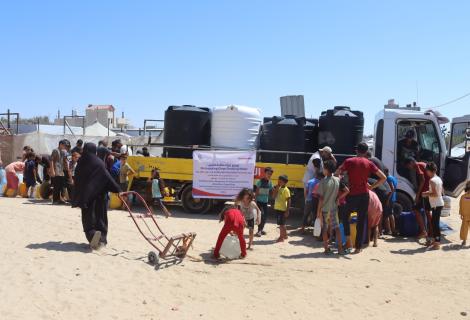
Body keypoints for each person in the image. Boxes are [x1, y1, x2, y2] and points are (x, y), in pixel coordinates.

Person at [337, 142, 386, 254]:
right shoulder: (369, 163)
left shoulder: (349, 161)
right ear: (366, 151)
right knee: (361, 220)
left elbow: (337, 173)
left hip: (351, 194)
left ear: (357, 150)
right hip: (364, 195)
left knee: (345, 216)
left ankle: (348, 241)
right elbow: (383, 177)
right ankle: (358, 247)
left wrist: (342, 182)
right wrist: (372, 186)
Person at [72, 143, 121, 249]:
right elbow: (107, 178)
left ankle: (92, 235)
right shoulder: (98, 163)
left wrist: (78, 196)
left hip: (87, 197)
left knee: (88, 219)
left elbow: (77, 180)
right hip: (100, 196)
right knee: (101, 218)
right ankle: (102, 239)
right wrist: (117, 189)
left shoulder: (80, 163)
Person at [317, 160, 343, 255]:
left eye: (324, 168)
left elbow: (321, 199)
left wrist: (318, 212)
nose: (323, 170)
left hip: (325, 210)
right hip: (334, 208)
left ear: (327, 170)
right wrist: (338, 198)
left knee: (324, 229)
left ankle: (326, 248)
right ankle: (340, 249)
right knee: (337, 228)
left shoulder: (323, 181)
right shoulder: (337, 180)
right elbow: (345, 191)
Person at [404, 157, 431, 239]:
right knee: (427, 212)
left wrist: (418, 195)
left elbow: (422, 180)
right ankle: (430, 231)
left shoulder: (418, 165)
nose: (409, 168)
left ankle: (425, 231)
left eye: (408, 166)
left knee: (417, 210)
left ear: (412, 162)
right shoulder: (422, 164)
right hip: (428, 191)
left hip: (425, 193)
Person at [422, 162, 444, 250]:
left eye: (427, 171)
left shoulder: (432, 180)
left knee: (435, 224)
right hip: (438, 203)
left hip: (436, 204)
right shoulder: (438, 179)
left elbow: (435, 194)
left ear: (429, 171)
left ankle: (437, 243)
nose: (426, 172)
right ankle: (436, 241)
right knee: (435, 223)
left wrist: (426, 193)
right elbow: (440, 192)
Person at [254, 167, 274, 237]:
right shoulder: (260, 182)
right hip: (259, 202)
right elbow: (256, 193)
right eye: (268, 173)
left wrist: (271, 202)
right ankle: (259, 231)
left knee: (265, 217)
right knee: (261, 216)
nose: (269, 175)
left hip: (265, 202)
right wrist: (255, 203)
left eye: (270, 174)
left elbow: (272, 193)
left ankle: (261, 229)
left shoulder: (270, 183)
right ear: (265, 173)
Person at [273, 175, 291, 242]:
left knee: (281, 225)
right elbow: (274, 196)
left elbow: (289, 200)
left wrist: (287, 210)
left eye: (281, 181)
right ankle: (285, 235)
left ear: (285, 182)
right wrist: (277, 187)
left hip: (282, 209)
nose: (279, 182)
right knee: (282, 224)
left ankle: (281, 237)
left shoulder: (286, 190)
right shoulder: (279, 188)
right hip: (278, 208)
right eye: (278, 181)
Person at [50, 140, 69, 204]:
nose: (65, 146)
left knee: (61, 185)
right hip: (56, 170)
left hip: (60, 170)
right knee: (56, 186)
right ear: (60, 144)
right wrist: (52, 170)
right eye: (64, 145)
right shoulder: (55, 150)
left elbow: (64, 161)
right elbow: (51, 160)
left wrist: (66, 169)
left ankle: (59, 199)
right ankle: (55, 200)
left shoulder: (63, 151)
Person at [337, 179, 351, 251]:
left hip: (343, 205)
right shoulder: (338, 182)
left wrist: (339, 199)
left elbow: (347, 190)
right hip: (342, 205)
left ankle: (348, 244)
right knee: (343, 223)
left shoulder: (340, 182)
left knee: (345, 223)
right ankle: (346, 243)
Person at [384, 168, 397, 235]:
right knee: (391, 214)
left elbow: (391, 189)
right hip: (393, 197)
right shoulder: (393, 177)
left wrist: (387, 200)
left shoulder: (388, 178)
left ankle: (388, 230)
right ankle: (393, 230)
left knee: (386, 215)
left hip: (390, 198)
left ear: (385, 172)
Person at [459, 181, 470, 247]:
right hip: (465, 215)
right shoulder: (463, 197)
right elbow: (461, 205)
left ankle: (464, 240)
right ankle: (464, 240)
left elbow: (461, 206)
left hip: (465, 215)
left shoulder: (463, 197)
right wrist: (461, 214)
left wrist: (461, 214)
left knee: (464, 228)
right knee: (464, 228)